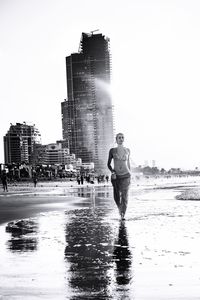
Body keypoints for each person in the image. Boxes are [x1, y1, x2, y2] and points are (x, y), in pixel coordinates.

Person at [107, 133, 131, 219]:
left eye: (122, 137)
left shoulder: (128, 150)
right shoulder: (112, 150)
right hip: (116, 176)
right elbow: (108, 164)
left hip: (126, 176)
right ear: (116, 140)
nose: (121, 139)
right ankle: (119, 209)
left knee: (124, 197)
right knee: (116, 197)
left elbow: (128, 164)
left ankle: (122, 214)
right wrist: (112, 171)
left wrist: (130, 174)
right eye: (119, 138)